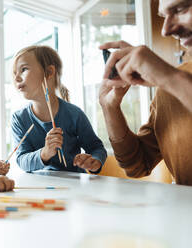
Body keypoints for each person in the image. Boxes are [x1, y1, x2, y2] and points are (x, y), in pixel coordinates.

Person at [99, 0, 192, 185]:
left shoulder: (172, 81)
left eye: (181, 9)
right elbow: (138, 164)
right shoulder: (168, 89)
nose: (166, 30)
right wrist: (110, 107)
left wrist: (171, 78)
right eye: (164, 16)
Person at [11, 45, 107, 173]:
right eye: (14, 73)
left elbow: (97, 148)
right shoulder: (19, 119)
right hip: (40, 187)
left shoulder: (74, 114)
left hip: (74, 185)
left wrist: (94, 161)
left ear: (49, 72)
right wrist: (44, 153)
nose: (16, 78)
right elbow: (22, 160)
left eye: (23, 69)